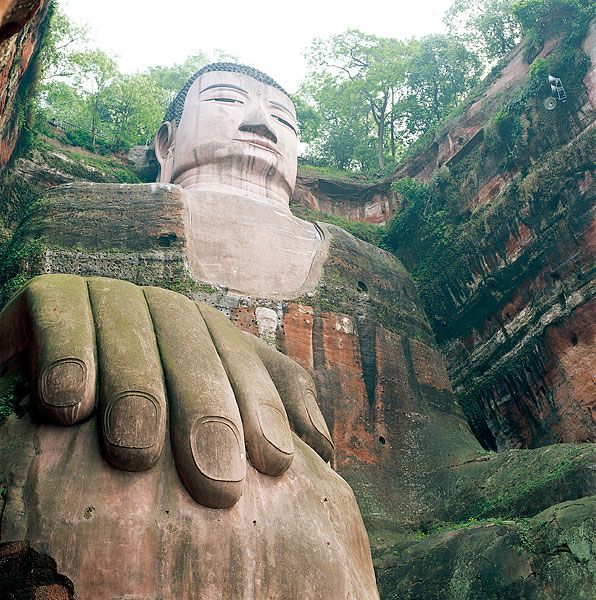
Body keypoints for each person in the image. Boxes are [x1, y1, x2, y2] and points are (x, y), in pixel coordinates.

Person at [0, 64, 380, 599]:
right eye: (227, 100)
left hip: (330, 508)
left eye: (283, 121)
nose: (261, 126)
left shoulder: (372, 269)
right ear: (166, 140)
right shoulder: (90, 211)